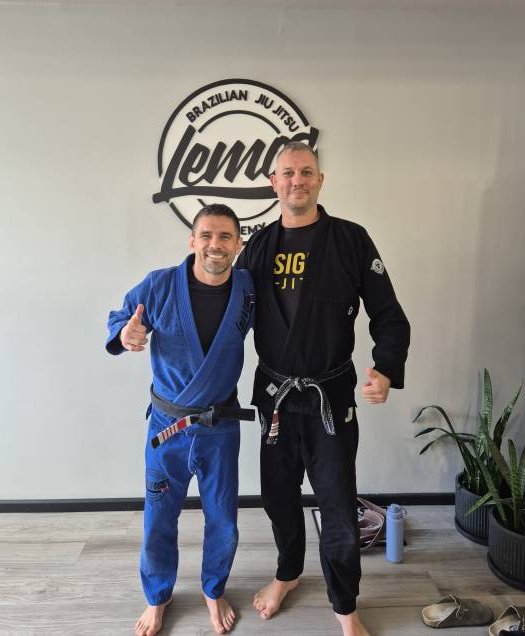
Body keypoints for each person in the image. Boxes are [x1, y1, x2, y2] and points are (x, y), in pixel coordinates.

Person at [236, 141, 410, 636]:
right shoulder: (257, 247)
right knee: (278, 497)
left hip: (329, 398)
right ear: (274, 182)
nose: (298, 180)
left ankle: (344, 605)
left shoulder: (351, 240)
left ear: (320, 180)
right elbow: (226, 315)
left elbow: (389, 315)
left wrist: (385, 368)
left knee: (337, 503)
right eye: (288, 172)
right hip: (275, 398)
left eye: (307, 172)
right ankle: (287, 573)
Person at [106, 204, 254, 636]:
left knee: (223, 519)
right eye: (206, 235)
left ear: (238, 244)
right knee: (158, 517)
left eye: (225, 236)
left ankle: (213, 589)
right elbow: (120, 318)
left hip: (220, 428)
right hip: (167, 427)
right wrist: (125, 333)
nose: (215, 245)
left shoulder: (248, 290)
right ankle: (157, 597)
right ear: (192, 240)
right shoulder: (159, 285)